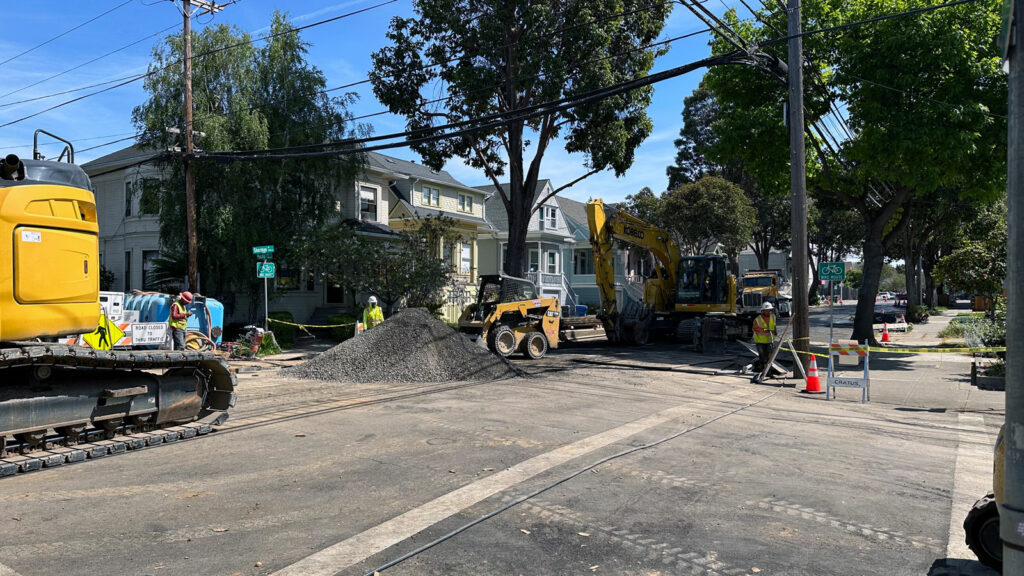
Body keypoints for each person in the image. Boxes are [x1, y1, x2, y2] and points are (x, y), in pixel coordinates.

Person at [751, 302, 776, 382]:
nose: (768, 311)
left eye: (769, 310)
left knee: (769, 357)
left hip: (769, 340)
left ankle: (768, 372)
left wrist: (775, 332)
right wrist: (766, 330)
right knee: (762, 357)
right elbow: (755, 329)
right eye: (767, 310)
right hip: (760, 341)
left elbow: (774, 326)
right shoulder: (757, 319)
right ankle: (762, 372)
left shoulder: (773, 317)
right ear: (763, 311)